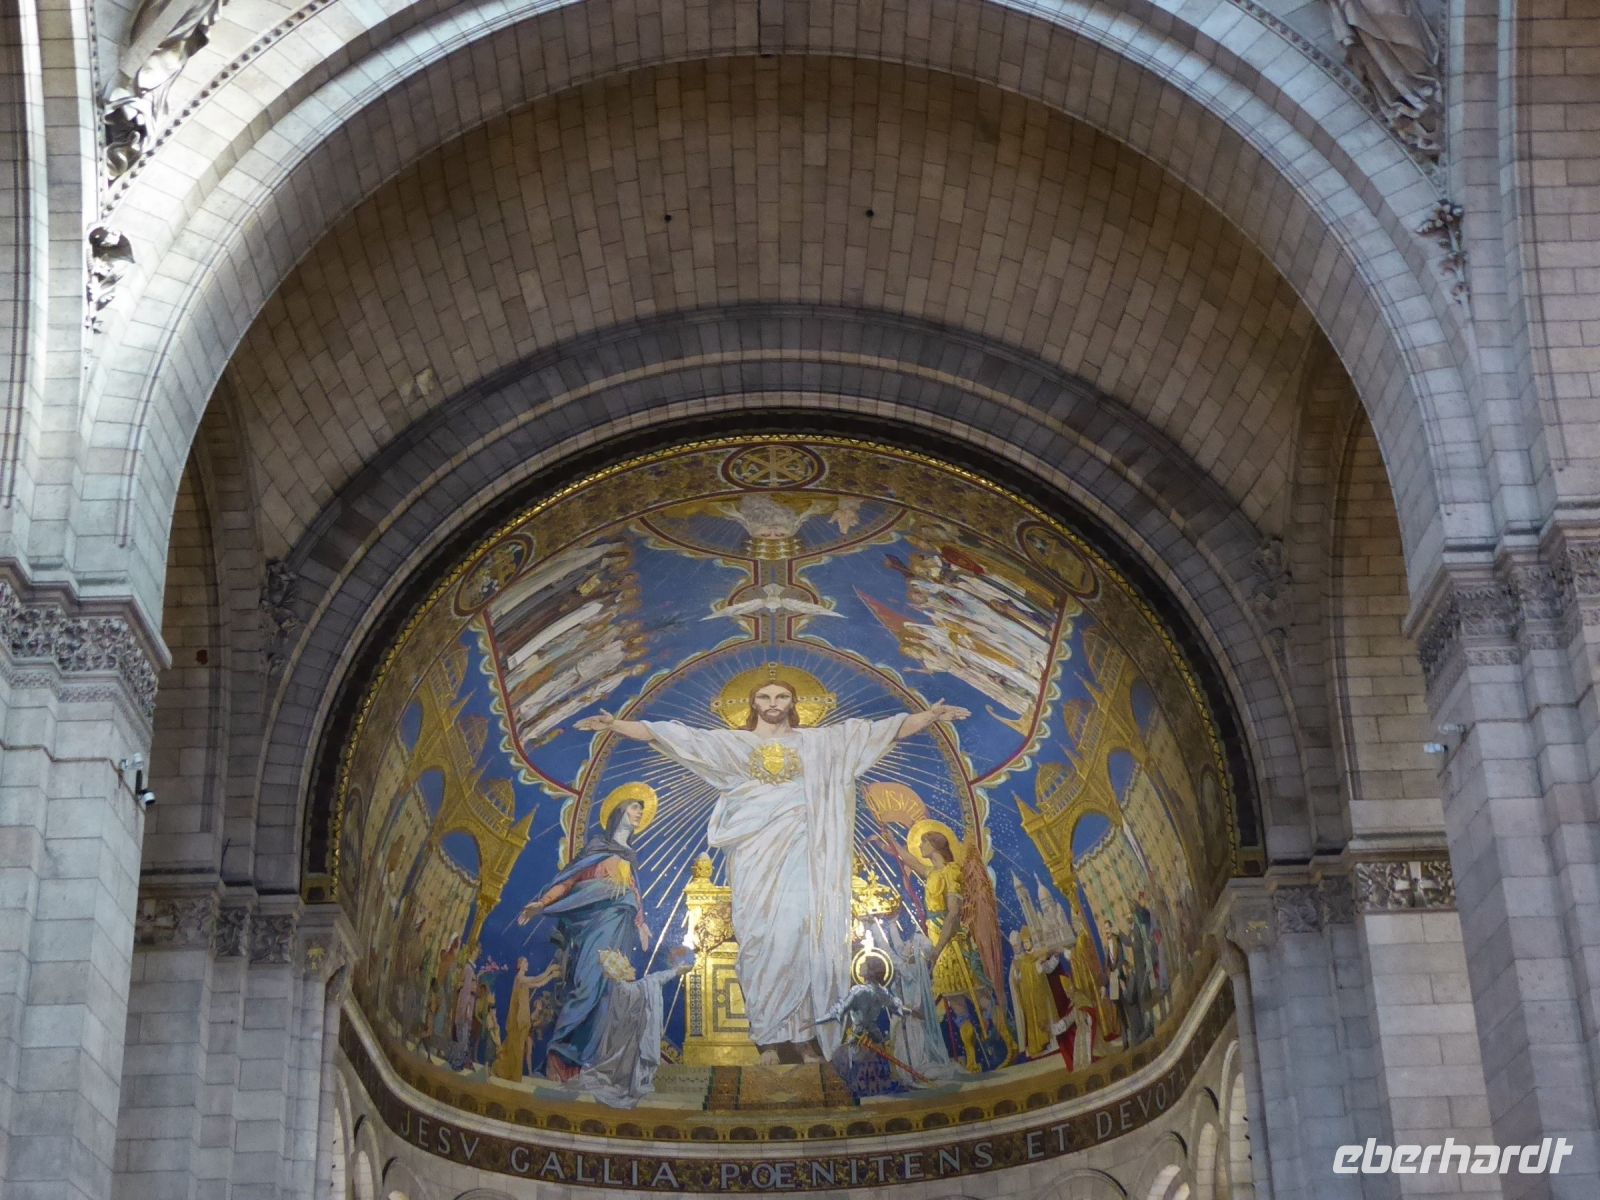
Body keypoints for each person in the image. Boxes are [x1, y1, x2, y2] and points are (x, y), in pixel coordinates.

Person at [576, 676, 966, 1065]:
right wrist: (616, 725)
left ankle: (804, 1038)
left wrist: (929, 716)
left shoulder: (820, 744)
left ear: (794, 702)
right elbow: (676, 737)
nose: (773, 702)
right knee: (759, 942)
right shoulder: (734, 745)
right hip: (753, 858)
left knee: (801, 938)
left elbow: (880, 732)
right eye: (764, 696)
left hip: (802, 856)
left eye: (782, 695)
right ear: (753, 704)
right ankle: (768, 1040)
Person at [515, 786, 655, 1080]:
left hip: (618, 930)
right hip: (593, 927)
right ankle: (559, 1057)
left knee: (608, 995)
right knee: (588, 988)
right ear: (619, 811)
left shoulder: (630, 856)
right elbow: (568, 882)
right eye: (634, 807)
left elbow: (633, 891)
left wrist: (641, 923)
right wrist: (543, 903)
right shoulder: (596, 848)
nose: (639, 813)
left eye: (641, 810)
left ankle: (585, 1064)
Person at [576, 948, 695, 1108]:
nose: (632, 968)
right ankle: (635, 1086)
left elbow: (652, 981)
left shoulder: (624, 988)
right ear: (621, 971)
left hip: (631, 1039)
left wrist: (675, 971)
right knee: (634, 1068)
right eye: (628, 967)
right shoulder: (628, 989)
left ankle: (636, 1084)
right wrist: (675, 971)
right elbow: (654, 980)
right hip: (633, 1040)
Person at [490, 957, 562, 1081]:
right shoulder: (519, 978)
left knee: (518, 1049)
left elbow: (539, 984)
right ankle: (513, 1075)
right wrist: (550, 970)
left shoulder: (523, 981)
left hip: (523, 1021)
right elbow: (536, 979)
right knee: (517, 1050)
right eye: (525, 962)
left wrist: (552, 976)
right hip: (517, 1022)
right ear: (519, 965)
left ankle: (510, 1073)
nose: (527, 963)